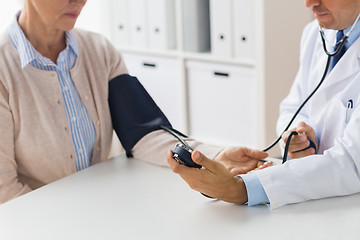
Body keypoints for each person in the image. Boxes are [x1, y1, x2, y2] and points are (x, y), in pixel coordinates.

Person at [0, 0, 271, 204]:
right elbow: (4, 191)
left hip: (101, 207)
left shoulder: (99, 50)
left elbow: (143, 133)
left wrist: (213, 158)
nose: (80, 1)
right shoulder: (4, 68)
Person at [167, 0, 360, 209]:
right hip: (315, 200)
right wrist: (296, 138)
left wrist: (242, 189)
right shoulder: (315, 34)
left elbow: (352, 163)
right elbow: (292, 108)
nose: (309, 3)